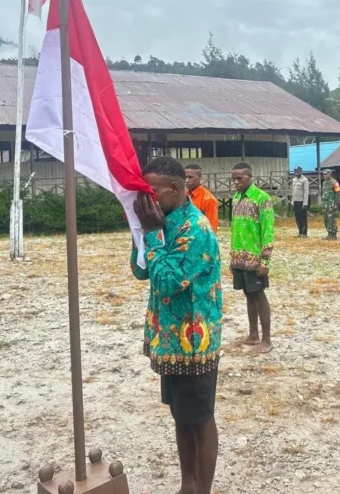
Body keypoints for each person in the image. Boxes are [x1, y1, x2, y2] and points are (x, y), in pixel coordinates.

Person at [131, 156, 223, 494]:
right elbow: (142, 271)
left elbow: (167, 282)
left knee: (199, 419)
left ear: (174, 188)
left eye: (151, 193)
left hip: (193, 343)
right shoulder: (164, 220)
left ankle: (203, 489)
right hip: (170, 340)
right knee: (180, 417)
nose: (146, 200)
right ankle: (188, 485)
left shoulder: (194, 228)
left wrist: (153, 232)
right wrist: (141, 229)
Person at [230, 162, 275, 354]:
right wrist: (232, 258)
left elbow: (268, 231)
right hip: (239, 258)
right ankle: (253, 334)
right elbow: (235, 230)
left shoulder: (262, 199)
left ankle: (266, 339)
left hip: (255, 259)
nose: (236, 182)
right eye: (234, 179)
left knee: (259, 295)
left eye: (240, 178)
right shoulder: (236, 198)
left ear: (250, 177)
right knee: (248, 295)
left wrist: (265, 260)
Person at [185, 163, 219, 234]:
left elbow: (211, 229)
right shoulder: (184, 196)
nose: (187, 180)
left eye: (190, 177)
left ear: (200, 177)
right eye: (185, 177)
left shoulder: (208, 199)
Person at [320, 169, 340, 240]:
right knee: (326, 219)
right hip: (325, 204)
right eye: (323, 174)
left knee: (331, 219)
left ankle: (333, 234)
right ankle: (329, 234)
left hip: (331, 204)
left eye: (326, 174)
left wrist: (337, 204)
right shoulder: (324, 183)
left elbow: (338, 193)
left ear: (330, 174)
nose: (324, 176)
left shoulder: (335, 182)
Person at [291, 166, 310, 238]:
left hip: (301, 202)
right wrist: (292, 202)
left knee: (303, 218)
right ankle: (300, 232)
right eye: (295, 171)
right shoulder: (294, 180)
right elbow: (293, 192)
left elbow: (306, 192)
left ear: (301, 171)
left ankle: (304, 233)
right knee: (297, 217)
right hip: (295, 201)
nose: (296, 172)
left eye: (297, 171)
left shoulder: (304, 180)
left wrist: (305, 204)